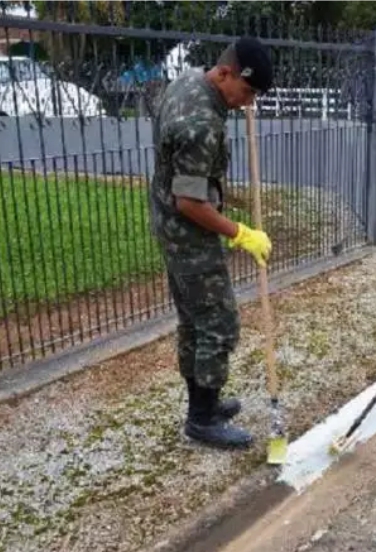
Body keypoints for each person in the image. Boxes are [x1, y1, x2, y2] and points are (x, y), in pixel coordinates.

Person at [149, 36, 274, 449]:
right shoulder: (201, 123)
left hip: (167, 223)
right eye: (247, 91)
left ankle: (204, 404)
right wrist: (240, 233)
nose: (249, 103)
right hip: (190, 235)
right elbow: (190, 202)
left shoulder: (185, 81)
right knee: (218, 325)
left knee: (194, 322)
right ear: (224, 74)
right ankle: (202, 419)